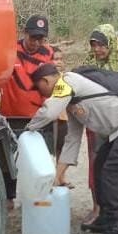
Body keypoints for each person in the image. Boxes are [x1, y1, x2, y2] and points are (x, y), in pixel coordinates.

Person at [27, 63, 118, 234]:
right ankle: (104, 220)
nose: (40, 93)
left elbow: (50, 112)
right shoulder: (70, 101)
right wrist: (57, 176)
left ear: (46, 80)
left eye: (38, 88)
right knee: (100, 169)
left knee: (113, 176)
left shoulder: (66, 81)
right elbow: (72, 140)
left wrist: (29, 129)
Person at [80, 24, 118, 225]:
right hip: (96, 125)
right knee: (96, 165)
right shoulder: (88, 65)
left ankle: (117, 209)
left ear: (111, 44)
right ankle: (97, 207)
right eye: (94, 45)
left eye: (101, 45)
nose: (97, 49)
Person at [0, 14, 54, 206]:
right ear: (24, 32)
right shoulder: (9, 49)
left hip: (39, 117)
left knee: (40, 158)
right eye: (33, 37)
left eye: (41, 39)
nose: (36, 43)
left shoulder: (48, 54)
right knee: (10, 158)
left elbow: (54, 81)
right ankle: (9, 197)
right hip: (12, 116)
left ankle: (40, 198)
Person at [51, 46, 69, 177]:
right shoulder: (47, 79)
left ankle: (61, 176)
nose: (58, 62)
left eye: (61, 59)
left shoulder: (66, 77)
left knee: (62, 148)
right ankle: (51, 176)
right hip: (52, 119)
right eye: (55, 59)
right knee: (51, 149)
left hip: (64, 118)